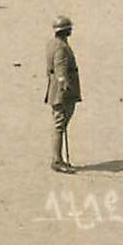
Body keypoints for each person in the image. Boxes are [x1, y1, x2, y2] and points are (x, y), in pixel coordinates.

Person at [44, 15, 81, 174]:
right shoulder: (61, 48)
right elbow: (60, 70)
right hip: (61, 91)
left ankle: (57, 158)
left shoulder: (53, 43)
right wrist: (64, 86)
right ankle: (57, 160)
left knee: (60, 124)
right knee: (60, 125)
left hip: (55, 89)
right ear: (66, 31)